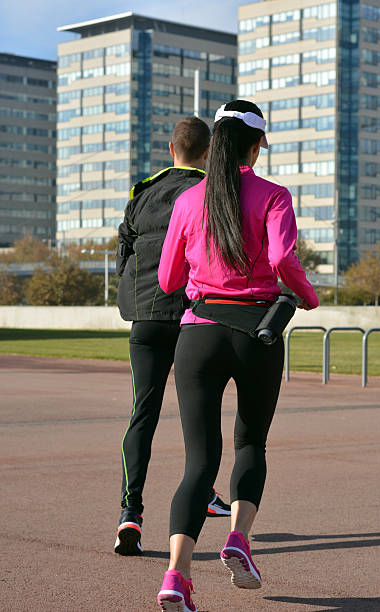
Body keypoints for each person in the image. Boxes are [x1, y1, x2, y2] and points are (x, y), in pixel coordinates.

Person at [156, 100, 319, 610]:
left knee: (197, 464)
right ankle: (238, 539)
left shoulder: (189, 200)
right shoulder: (273, 195)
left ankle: (176, 577)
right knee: (251, 444)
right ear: (255, 145)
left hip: (199, 334)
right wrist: (308, 297)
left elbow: (167, 280)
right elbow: (282, 258)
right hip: (257, 335)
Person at [114, 116, 231, 557]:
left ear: (170, 148)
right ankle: (201, 495)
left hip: (144, 315)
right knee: (196, 416)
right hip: (190, 315)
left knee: (142, 413)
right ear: (208, 153)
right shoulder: (211, 190)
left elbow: (124, 248)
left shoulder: (141, 191)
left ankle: (130, 511)